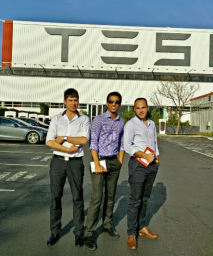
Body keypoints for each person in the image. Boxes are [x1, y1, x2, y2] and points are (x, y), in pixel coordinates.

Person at [46, 88, 90, 247]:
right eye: (70, 100)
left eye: (76, 100)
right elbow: (49, 141)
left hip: (75, 163)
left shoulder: (84, 119)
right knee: (55, 197)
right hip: (58, 162)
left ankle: (79, 233)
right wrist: (68, 148)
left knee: (77, 198)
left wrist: (63, 138)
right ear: (65, 101)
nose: (74, 103)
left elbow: (84, 140)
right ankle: (55, 232)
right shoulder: (56, 119)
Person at [84, 92, 125, 251]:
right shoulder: (98, 119)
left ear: (119, 104)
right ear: (107, 103)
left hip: (114, 161)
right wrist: (97, 162)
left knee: (110, 196)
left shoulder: (122, 122)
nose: (114, 104)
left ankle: (107, 225)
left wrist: (120, 161)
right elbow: (93, 143)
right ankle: (89, 232)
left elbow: (122, 143)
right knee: (96, 198)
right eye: (111, 101)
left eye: (116, 102)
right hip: (99, 160)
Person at [124, 98, 160, 250]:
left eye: (143, 107)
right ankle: (131, 233)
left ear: (147, 107)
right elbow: (127, 146)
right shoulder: (131, 124)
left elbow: (154, 142)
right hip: (138, 165)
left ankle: (142, 227)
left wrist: (156, 157)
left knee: (144, 199)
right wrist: (144, 156)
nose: (141, 110)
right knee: (135, 200)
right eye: (138, 108)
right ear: (134, 109)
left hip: (151, 165)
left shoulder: (151, 124)